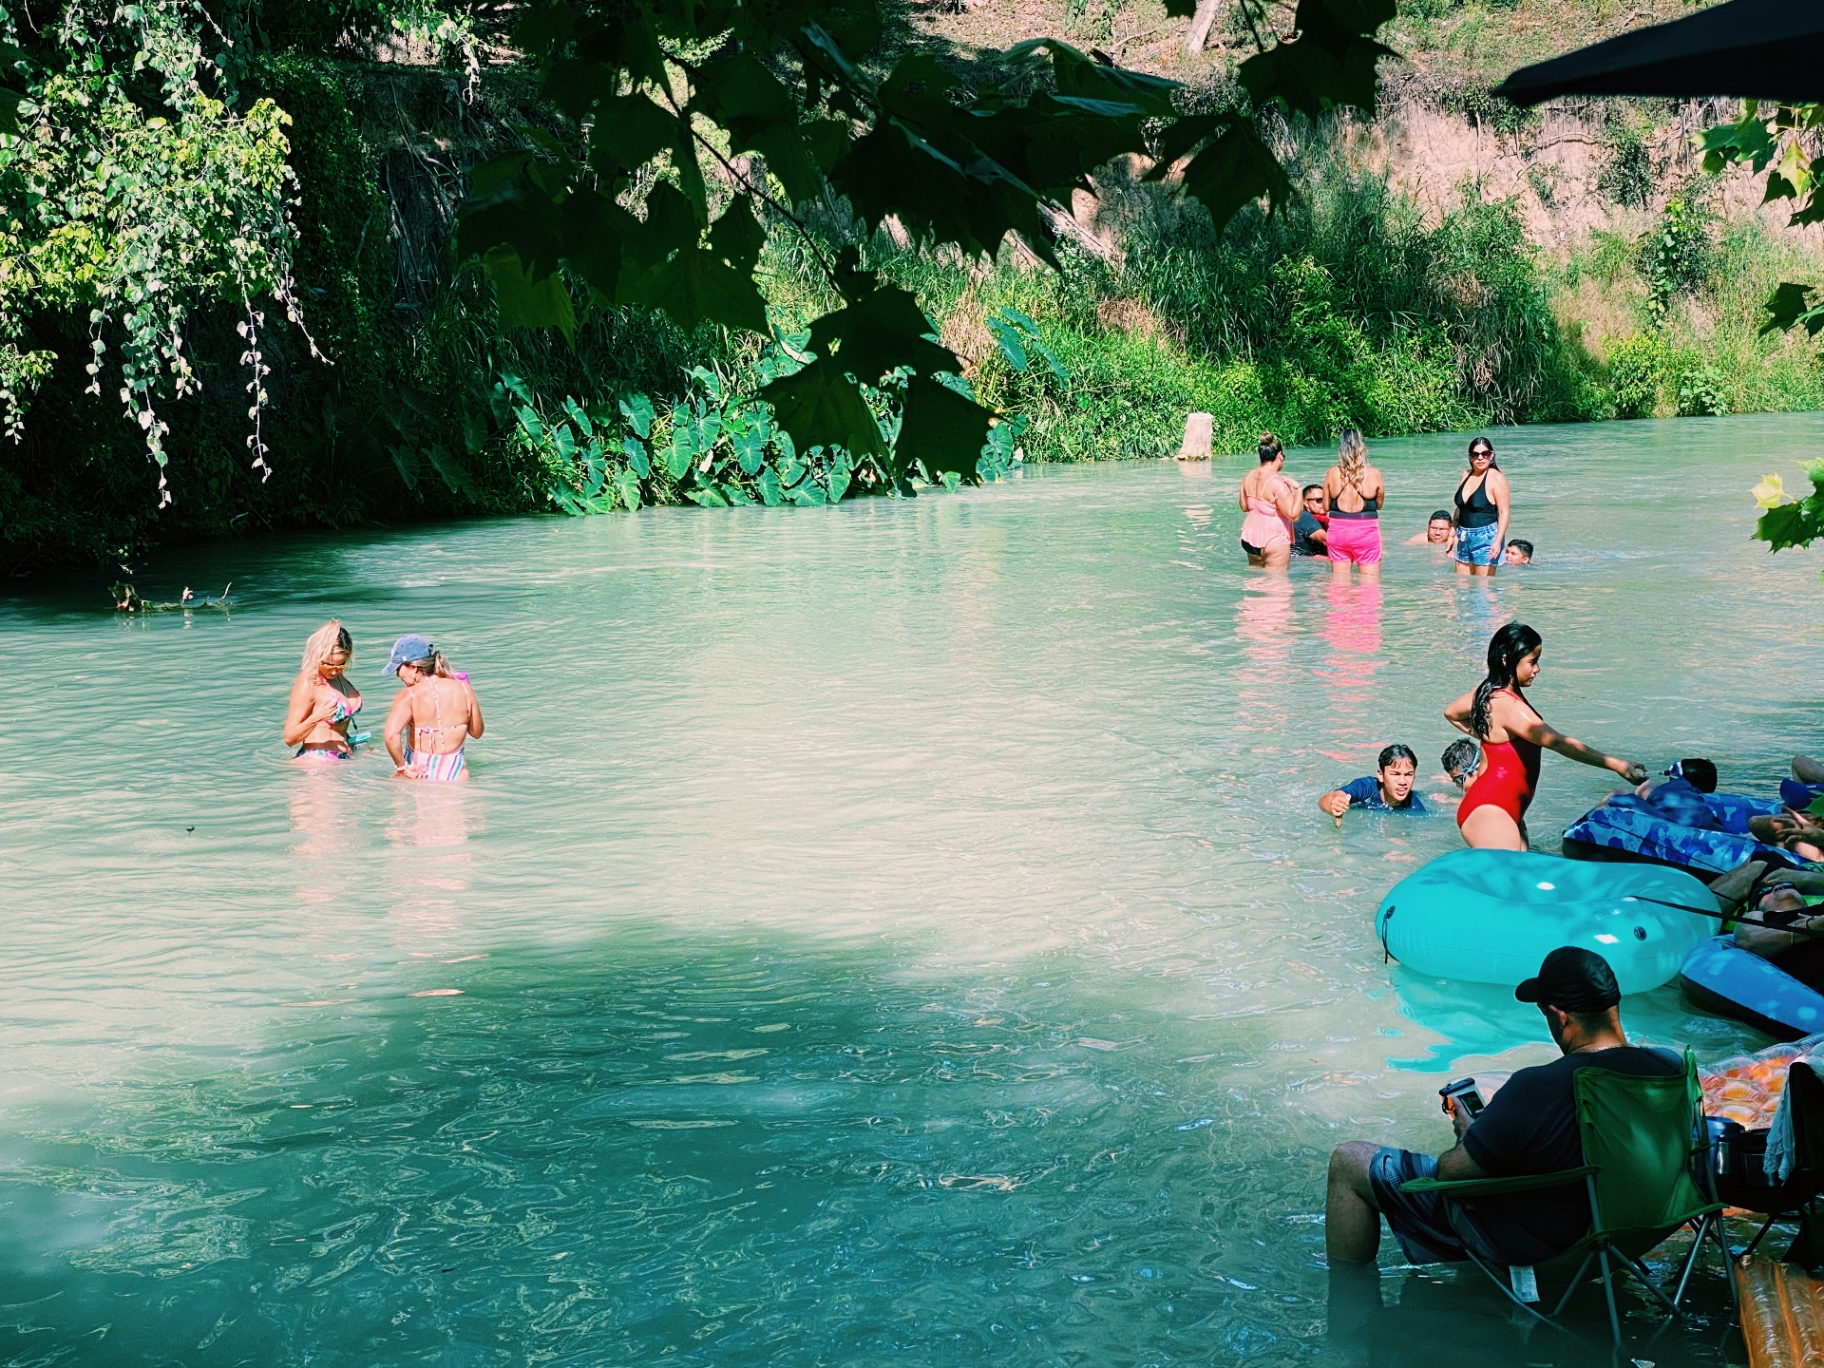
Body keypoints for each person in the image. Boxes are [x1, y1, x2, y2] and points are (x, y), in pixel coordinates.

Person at [1325, 946, 1682, 1269]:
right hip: (1630, 1233)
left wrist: (1468, 1136)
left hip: (1539, 1244)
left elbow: (1451, 1175)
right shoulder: (1669, 1069)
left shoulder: (1540, 1085)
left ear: (1559, 1016)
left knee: (1348, 1161)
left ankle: (1349, 1303)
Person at [1444, 623, 1647, 850]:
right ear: (1506, 660)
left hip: (1506, 811)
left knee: (1526, 872)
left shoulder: (1489, 692)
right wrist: (1615, 764)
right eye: (1532, 661)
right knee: (1517, 882)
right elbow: (1559, 743)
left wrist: (1489, 733)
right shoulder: (1508, 706)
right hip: (1489, 809)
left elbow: (1452, 713)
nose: (1537, 669)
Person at [382, 634, 484, 781]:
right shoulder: (464, 688)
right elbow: (477, 732)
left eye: (398, 668)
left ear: (414, 667)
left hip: (419, 775)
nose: (397, 674)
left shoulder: (408, 696)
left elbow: (391, 736)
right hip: (456, 775)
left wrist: (401, 767)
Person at [283, 620, 363, 761]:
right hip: (317, 762)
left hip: (343, 758)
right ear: (318, 656)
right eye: (328, 665)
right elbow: (289, 738)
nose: (333, 672)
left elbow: (338, 729)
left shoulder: (340, 679)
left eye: (340, 665)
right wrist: (316, 717)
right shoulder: (309, 681)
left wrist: (357, 746)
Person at [1733, 883, 1824, 992]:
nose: (1779, 888)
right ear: (1755, 907)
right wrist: (1810, 926)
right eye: (1766, 891)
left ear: (1804, 900)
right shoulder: (1758, 916)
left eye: (1788, 885)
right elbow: (1749, 941)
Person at [1323, 428, 1383, 579]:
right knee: (1370, 585)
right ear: (1362, 447)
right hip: (1366, 532)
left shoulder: (1332, 473)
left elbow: (1325, 507)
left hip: (1338, 532)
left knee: (1339, 585)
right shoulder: (1374, 474)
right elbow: (1379, 505)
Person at [1238, 433, 1300, 569]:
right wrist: (1299, 490)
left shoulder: (1248, 476)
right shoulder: (1276, 482)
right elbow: (1293, 515)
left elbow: (1244, 507)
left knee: (1255, 583)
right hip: (1273, 539)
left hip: (1250, 537)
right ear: (1279, 456)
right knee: (1277, 587)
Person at [1452, 437, 1510, 577]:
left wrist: (1497, 541)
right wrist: (1452, 533)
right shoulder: (1465, 475)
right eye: (1475, 454)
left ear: (1492, 455)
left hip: (1486, 537)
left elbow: (1504, 512)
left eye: (1485, 454)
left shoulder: (1496, 478)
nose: (1480, 458)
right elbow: (1460, 507)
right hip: (1464, 536)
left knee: (1482, 590)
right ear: (1470, 457)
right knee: (1462, 589)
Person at [1318, 745, 1425, 819]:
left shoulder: (1416, 807)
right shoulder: (1367, 787)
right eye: (1395, 774)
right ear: (1380, 775)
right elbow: (1328, 798)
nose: (1402, 781)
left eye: (1408, 775)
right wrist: (1334, 805)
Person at [1292, 485, 1329, 557]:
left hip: (1300, 560)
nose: (1324, 503)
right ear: (1305, 503)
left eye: (1326, 500)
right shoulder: (1304, 517)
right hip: (1302, 560)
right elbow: (1326, 540)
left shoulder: (1307, 515)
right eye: (1319, 500)